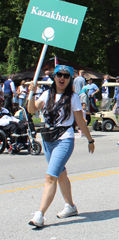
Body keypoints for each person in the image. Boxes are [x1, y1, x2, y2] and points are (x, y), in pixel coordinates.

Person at [27, 65, 95, 228]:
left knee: (51, 177)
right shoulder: (46, 94)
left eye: (66, 75)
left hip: (64, 139)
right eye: (59, 75)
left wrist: (90, 139)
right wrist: (32, 93)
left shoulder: (73, 97)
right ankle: (70, 206)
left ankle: (40, 214)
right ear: (55, 77)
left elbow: (80, 121)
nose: (62, 78)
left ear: (70, 79)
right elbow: (31, 109)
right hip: (48, 139)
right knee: (61, 174)